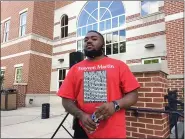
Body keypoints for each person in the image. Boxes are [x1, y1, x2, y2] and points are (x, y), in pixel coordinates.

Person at [57, 30, 140, 138]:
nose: (89, 41)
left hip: (113, 131)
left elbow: (133, 95)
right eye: (86, 40)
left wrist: (115, 105)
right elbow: (66, 100)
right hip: (83, 130)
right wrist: (80, 115)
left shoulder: (119, 65)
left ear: (103, 44)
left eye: (94, 39)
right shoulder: (75, 69)